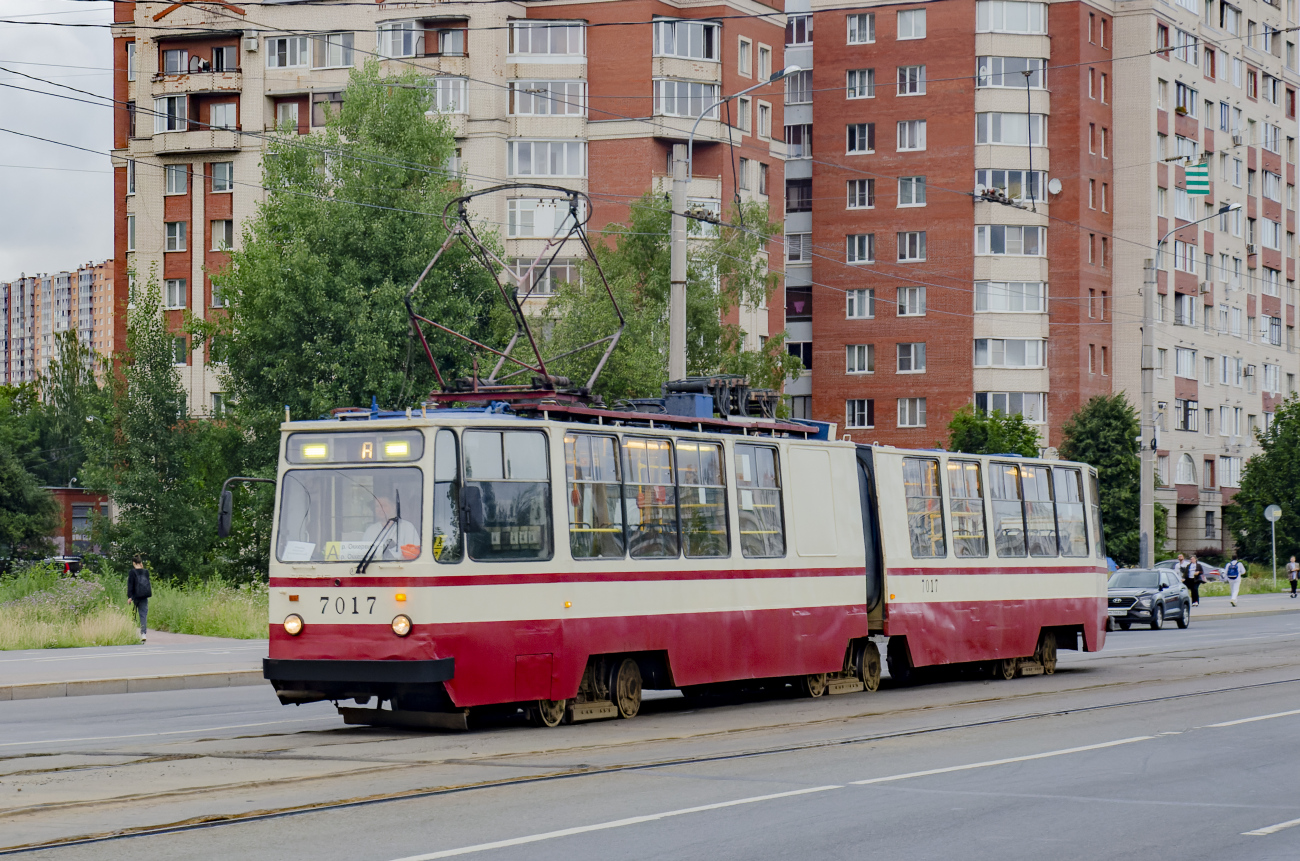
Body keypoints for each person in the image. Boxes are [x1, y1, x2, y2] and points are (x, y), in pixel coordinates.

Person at [361, 493, 419, 560]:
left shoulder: (407, 527)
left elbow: (414, 553)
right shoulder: (370, 530)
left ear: (393, 507)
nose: (380, 509)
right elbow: (364, 554)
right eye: (377, 506)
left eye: (384, 506)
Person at [126, 554, 152, 642]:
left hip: (136, 596)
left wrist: (130, 597)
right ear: (140, 562)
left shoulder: (132, 572)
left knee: (133, 614)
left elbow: (131, 585)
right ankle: (143, 634)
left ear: (134, 563)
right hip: (144, 596)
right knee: (143, 615)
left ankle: (131, 633)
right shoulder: (146, 572)